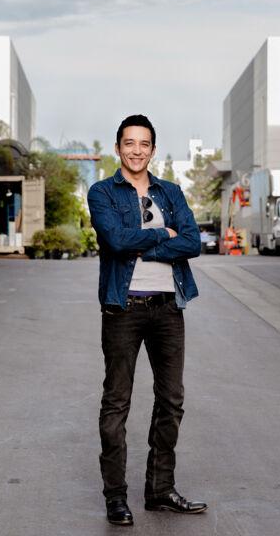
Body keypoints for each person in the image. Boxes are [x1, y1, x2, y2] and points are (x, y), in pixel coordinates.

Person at [87, 114, 207, 526]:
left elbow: (193, 241)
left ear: (153, 150)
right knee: (117, 403)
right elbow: (116, 241)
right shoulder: (102, 192)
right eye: (129, 143)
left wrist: (148, 246)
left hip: (168, 308)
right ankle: (115, 497)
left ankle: (159, 490)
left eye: (144, 144)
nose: (136, 150)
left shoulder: (170, 192)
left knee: (171, 401)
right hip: (124, 307)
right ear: (118, 147)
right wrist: (163, 235)